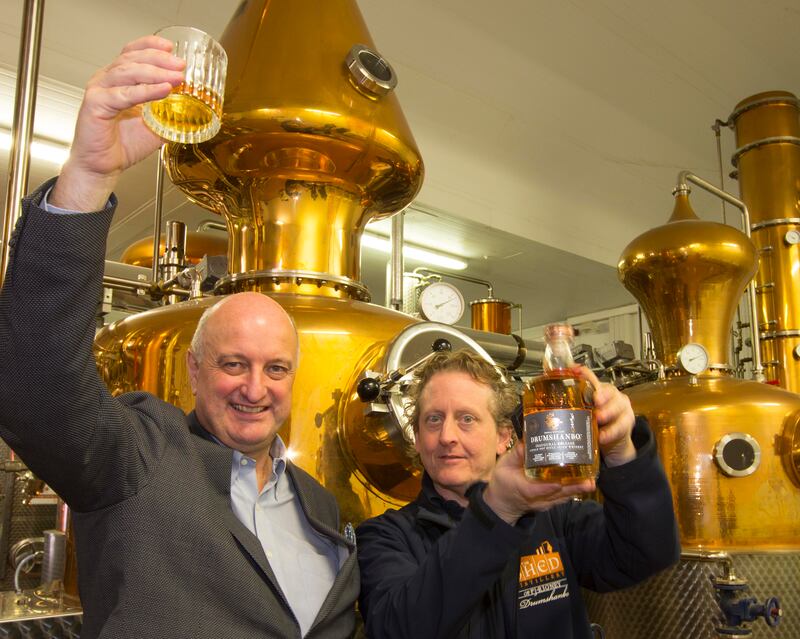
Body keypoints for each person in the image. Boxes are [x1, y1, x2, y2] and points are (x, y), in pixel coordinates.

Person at [0, 36, 358, 638]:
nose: (254, 388)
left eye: (276, 369)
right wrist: (88, 175)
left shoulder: (319, 506)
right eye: (233, 364)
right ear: (192, 370)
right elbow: (33, 378)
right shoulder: (141, 456)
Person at [356, 350, 680, 639]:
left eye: (466, 419)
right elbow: (395, 628)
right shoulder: (385, 536)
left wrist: (621, 449)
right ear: (417, 437)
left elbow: (647, 552)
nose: (447, 436)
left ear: (503, 437)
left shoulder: (555, 517)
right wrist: (497, 512)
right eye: (433, 419)